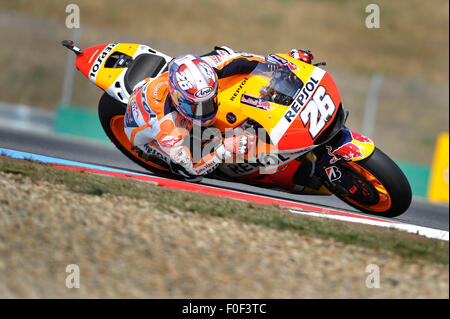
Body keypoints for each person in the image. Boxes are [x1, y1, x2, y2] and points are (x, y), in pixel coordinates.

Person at [124, 46, 314, 178]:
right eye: (198, 106)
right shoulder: (166, 123)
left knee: (226, 53)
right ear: (178, 100)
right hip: (143, 133)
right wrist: (225, 149)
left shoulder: (210, 67)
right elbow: (191, 167)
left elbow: (246, 60)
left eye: (208, 101)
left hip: (180, 87)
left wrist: (286, 61)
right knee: (189, 174)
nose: (206, 109)